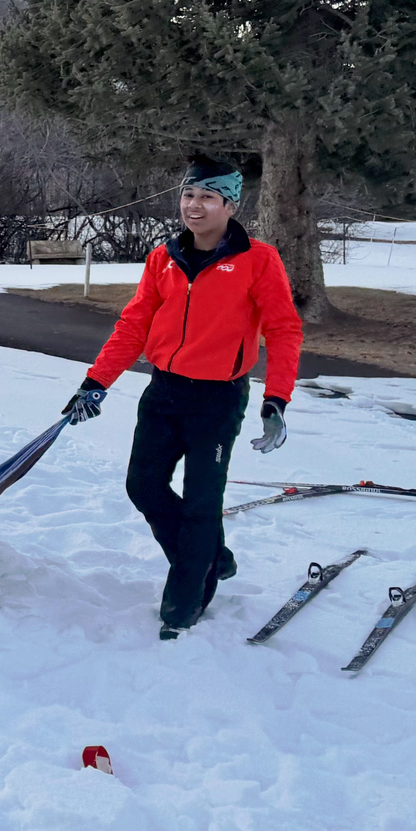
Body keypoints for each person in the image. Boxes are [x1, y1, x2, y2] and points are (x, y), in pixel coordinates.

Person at [62, 156, 303, 639]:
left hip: (218, 399)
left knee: (201, 503)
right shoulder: (163, 258)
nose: (194, 205)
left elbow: (283, 330)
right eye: (188, 195)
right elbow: (134, 325)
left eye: (207, 197)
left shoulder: (258, 260)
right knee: (143, 486)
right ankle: (211, 556)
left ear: (230, 206)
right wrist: (96, 383)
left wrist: (276, 399)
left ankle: (184, 604)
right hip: (164, 391)